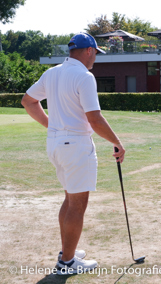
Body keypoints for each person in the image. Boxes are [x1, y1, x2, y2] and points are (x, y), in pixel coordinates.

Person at [21, 33, 126, 275]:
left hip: (56, 144)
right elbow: (95, 118)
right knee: (77, 204)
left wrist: (52, 126)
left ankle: (68, 251)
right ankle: (67, 263)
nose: (95, 59)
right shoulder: (84, 76)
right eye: (96, 53)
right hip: (76, 146)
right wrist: (117, 143)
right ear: (89, 51)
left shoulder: (52, 73)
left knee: (70, 200)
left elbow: (28, 101)